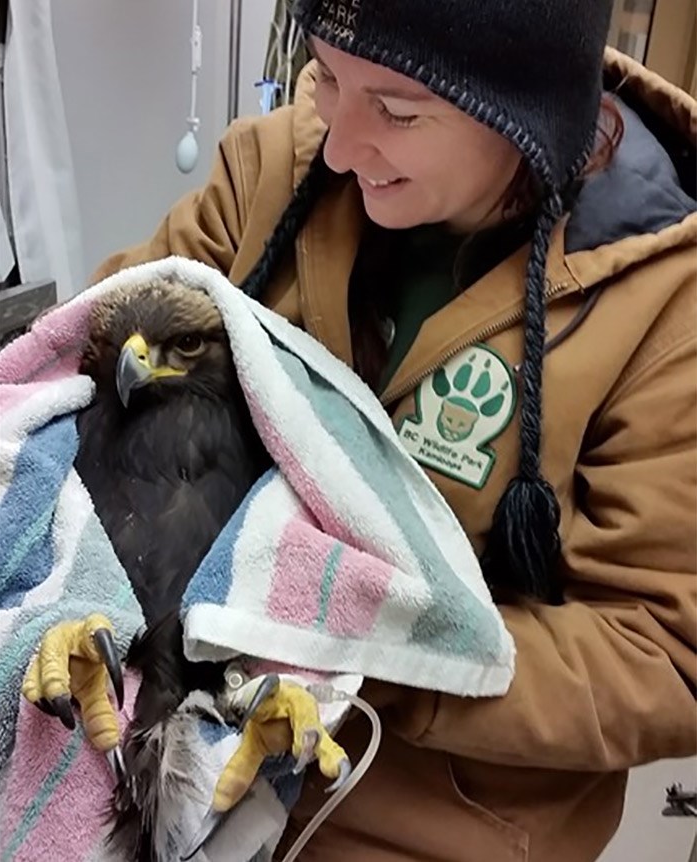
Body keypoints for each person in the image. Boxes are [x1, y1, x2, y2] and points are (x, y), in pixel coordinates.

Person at [93, 2, 697, 860]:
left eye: (399, 110)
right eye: (327, 74)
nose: (338, 143)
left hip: (420, 825)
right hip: (172, 757)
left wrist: (364, 645)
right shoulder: (271, 171)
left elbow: (664, 653)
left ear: (519, 112)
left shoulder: (667, 308)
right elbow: (91, 361)